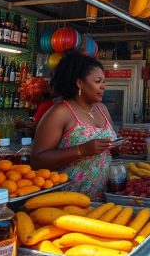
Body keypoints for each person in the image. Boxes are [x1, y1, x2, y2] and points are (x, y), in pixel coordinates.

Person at [31, 53, 117, 201]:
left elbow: (109, 148)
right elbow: (38, 160)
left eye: (104, 81)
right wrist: (81, 150)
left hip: (101, 200)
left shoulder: (102, 109)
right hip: (68, 201)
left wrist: (117, 147)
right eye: (98, 81)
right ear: (80, 83)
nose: (104, 86)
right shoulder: (60, 112)